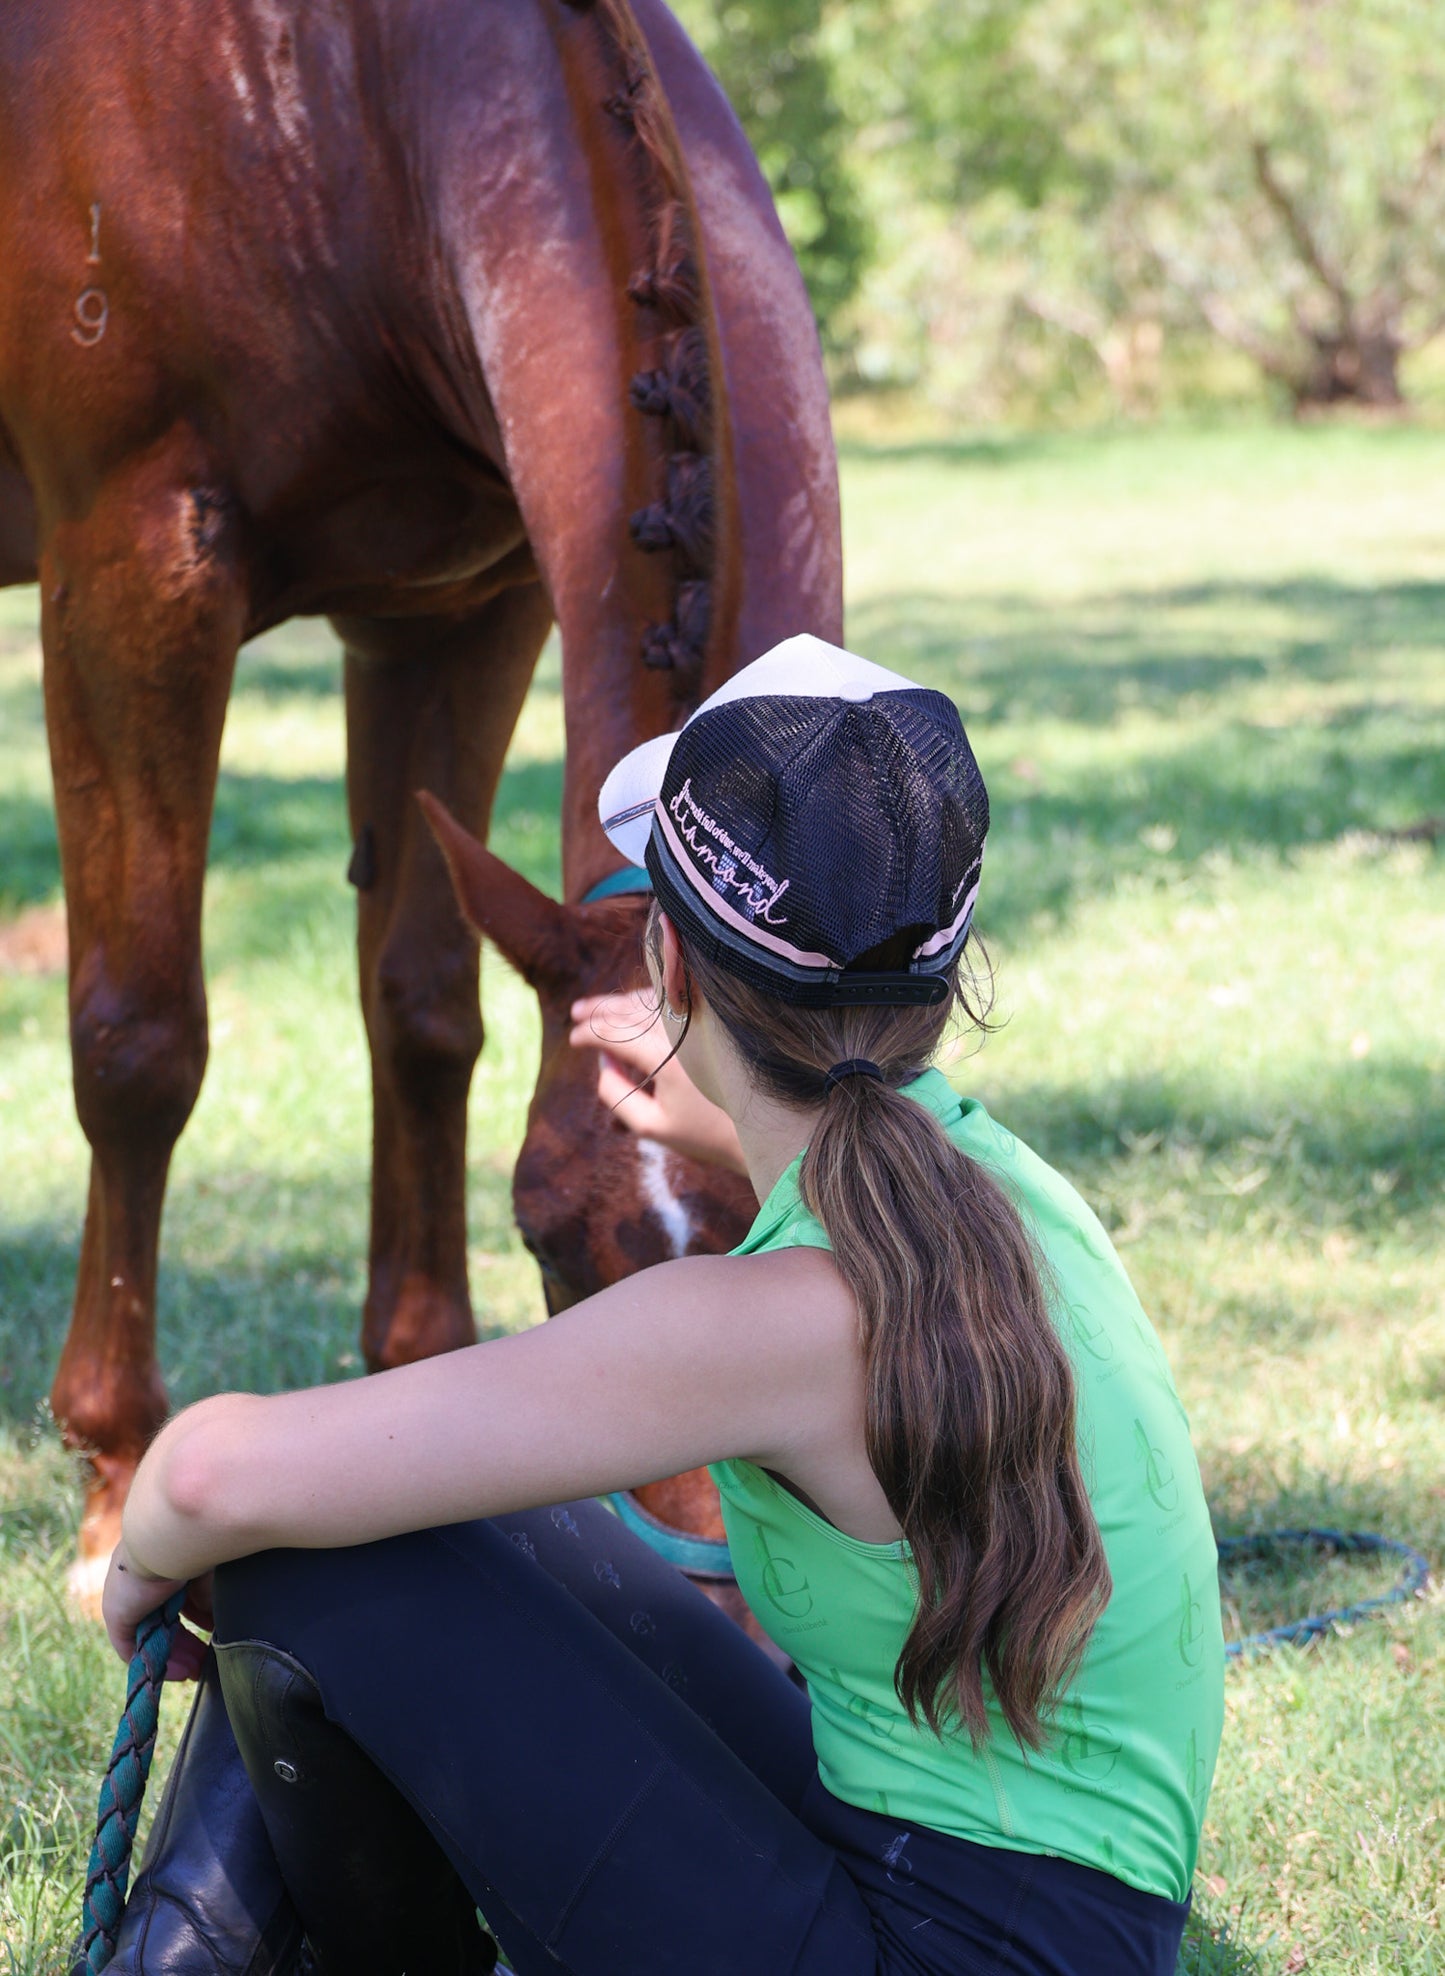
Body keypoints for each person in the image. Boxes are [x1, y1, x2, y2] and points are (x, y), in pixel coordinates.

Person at [100, 635, 1224, 1976]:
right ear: (947, 977)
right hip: (1026, 1920)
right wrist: (730, 1109)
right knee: (441, 1494)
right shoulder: (1001, 1189)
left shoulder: (761, 1321)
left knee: (306, 1549)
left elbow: (213, 1474)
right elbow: (839, 1128)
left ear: (669, 971)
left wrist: (141, 1564)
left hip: (928, 1943)